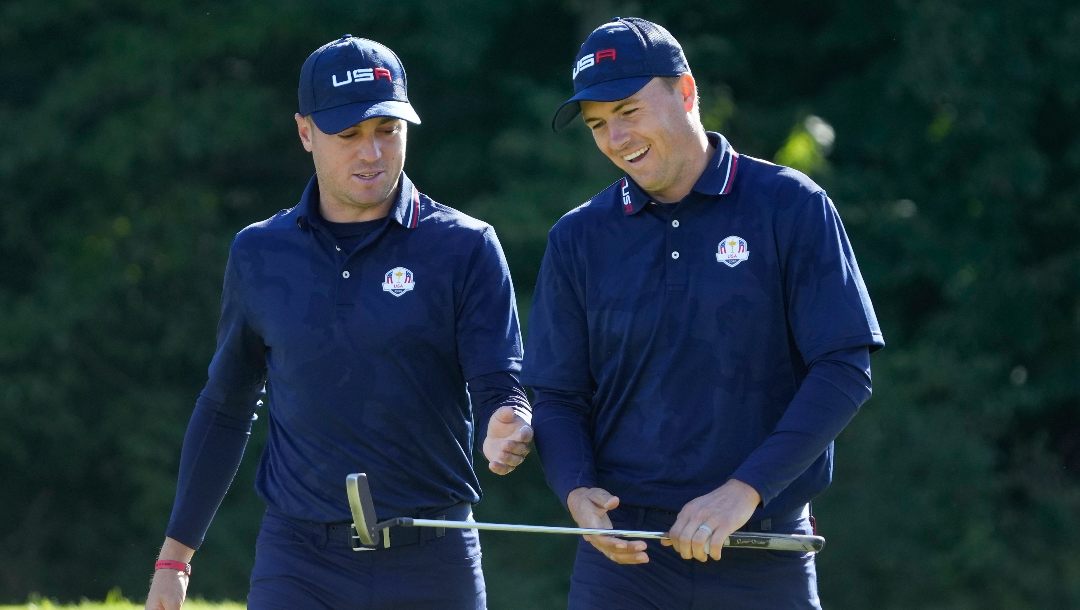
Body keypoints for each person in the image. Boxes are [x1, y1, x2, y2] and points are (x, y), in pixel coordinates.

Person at [144, 35, 533, 610]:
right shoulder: (260, 252)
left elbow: (500, 383)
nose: (371, 153)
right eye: (348, 135)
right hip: (298, 560)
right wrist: (175, 557)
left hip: (432, 555)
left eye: (387, 131)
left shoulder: (465, 246)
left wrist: (510, 421)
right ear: (305, 133)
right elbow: (227, 404)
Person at [521, 17, 885, 609]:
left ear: (686, 93)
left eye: (629, 111)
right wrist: (575, 490)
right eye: (598, 125)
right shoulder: (578, 237)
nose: (616, 138)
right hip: (624, 561)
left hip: (762, 548)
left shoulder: (789, 205)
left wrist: (745, 491)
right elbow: (558, 394)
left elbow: (844, 367)